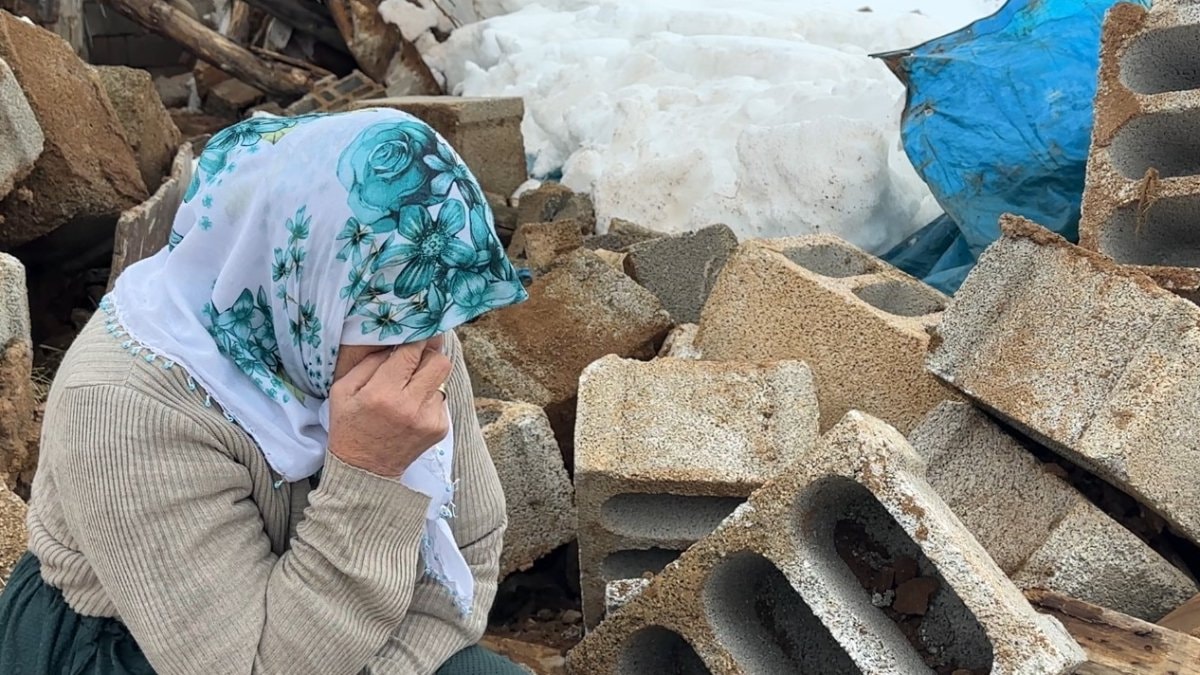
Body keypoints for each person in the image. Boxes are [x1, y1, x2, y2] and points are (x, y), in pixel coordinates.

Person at [0, 109, 532, 674]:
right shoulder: (124, 405)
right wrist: (371, 471)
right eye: (385, 326)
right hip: (131, 647)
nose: (423, 350)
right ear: (301, 287)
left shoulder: (403, 321)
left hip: (342, 631)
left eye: (434, 318)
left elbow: (470, 555)